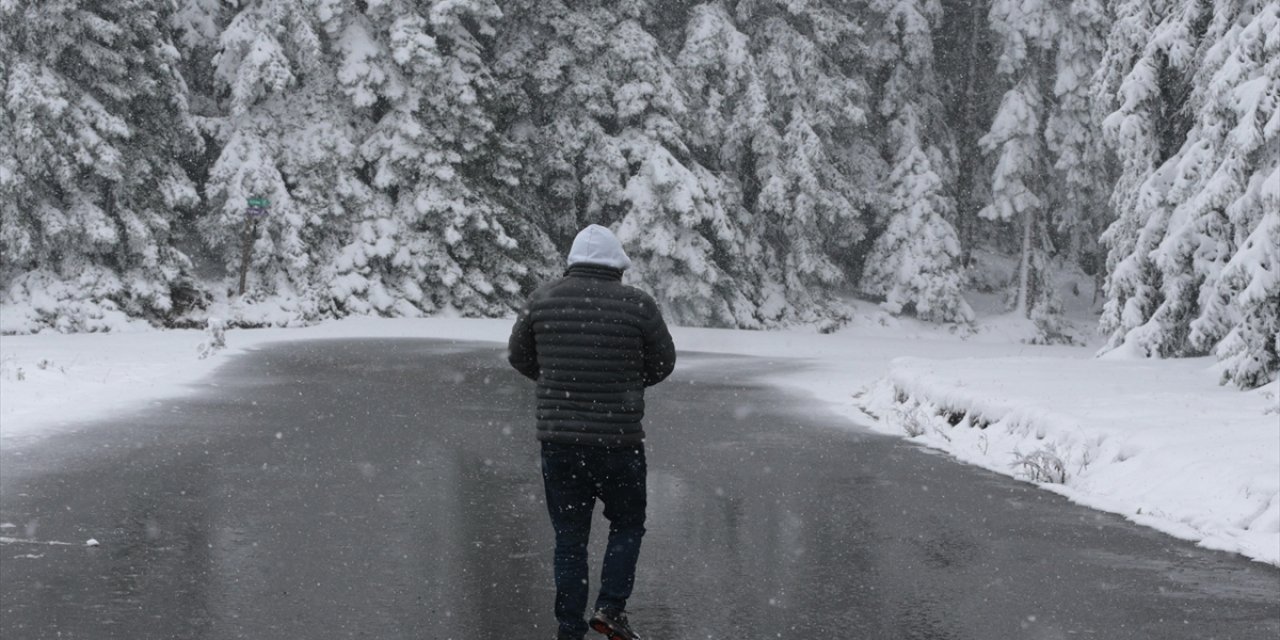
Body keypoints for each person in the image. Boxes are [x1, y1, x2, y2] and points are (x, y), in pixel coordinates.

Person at [508, 224, 677, 640]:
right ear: (617, 265)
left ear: (572, 263)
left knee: (570, 538)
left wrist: (556, 382)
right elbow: (663, 363)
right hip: (618, 440)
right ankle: (611, 608)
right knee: (627, 524)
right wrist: (625, 383)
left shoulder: (542, 300)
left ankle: (569, 627)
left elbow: (519, 357)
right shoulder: (638, 306)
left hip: (560, 442)